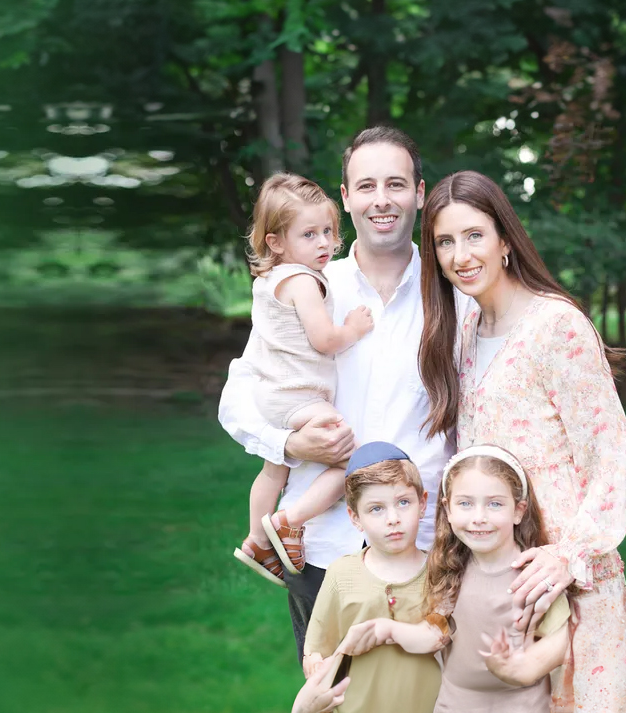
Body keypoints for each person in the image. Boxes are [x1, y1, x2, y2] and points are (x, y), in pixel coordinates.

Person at [416, 170, 626, 711]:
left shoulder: (557, 327)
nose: (461, 255)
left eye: (474, 235)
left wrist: (570, 556)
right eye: (445, 241)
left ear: (505, 239)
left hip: (567, 582)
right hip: (502, 582)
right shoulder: (465, 333)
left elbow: (612, 453)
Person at [218, 126, 449, 660]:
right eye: (365, 186)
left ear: (419, 191)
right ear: (345, 199)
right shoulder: (310, 284)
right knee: (332, 697)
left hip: (426, 543)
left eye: (396, 183)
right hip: (321, 545)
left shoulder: (453, 292)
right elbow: (240, 396)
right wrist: (289, 447)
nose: (381, 199)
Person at [333, 445, 573, 712]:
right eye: (465, 504)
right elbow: (435, 635)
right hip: (455, 703)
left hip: (520, 704)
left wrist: (522, 668)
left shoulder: (533, 573)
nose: (479, 518)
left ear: (518, 510)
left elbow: (561, 638)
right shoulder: (451, 568)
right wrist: (388, 630)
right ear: (448, 509)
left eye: (495, 504)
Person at [232, 173, 376, 585]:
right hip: (299, 396)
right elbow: (324, 339)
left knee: (274, 470)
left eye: (328, 232)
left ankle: (257, 539)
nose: (324, 243)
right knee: (351, 457)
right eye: (309, 234)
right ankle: (288, 522)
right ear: (276, 242)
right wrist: (352, 327)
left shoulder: (267, 281)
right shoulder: (304, 281)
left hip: (272, 395)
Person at [299, 442, 441, 713]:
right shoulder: (342, 574)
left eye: (403, 503)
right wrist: (315, 662)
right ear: (355, 517)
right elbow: (318, 649)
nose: (393, 518)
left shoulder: (441, 572)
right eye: (376, 509)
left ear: (422, 504)